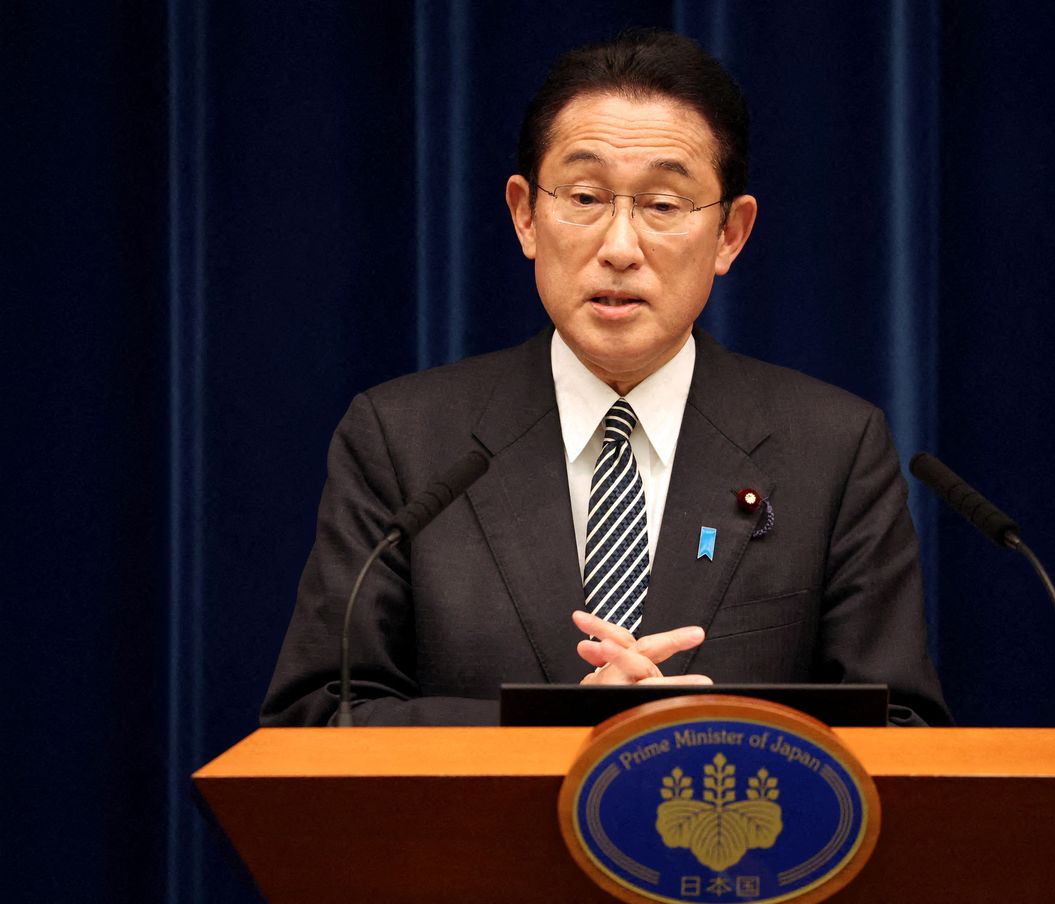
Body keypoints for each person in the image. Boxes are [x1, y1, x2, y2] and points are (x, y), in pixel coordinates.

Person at [261, 29, 950, 727]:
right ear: (526, 215)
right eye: (586, 197)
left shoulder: (831, 449)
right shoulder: (405, 442)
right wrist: (553, 732)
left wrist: (709, 739)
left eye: (663, 205)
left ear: (731, 235)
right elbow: (318, 720)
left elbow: (904, 731)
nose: (620, 248)